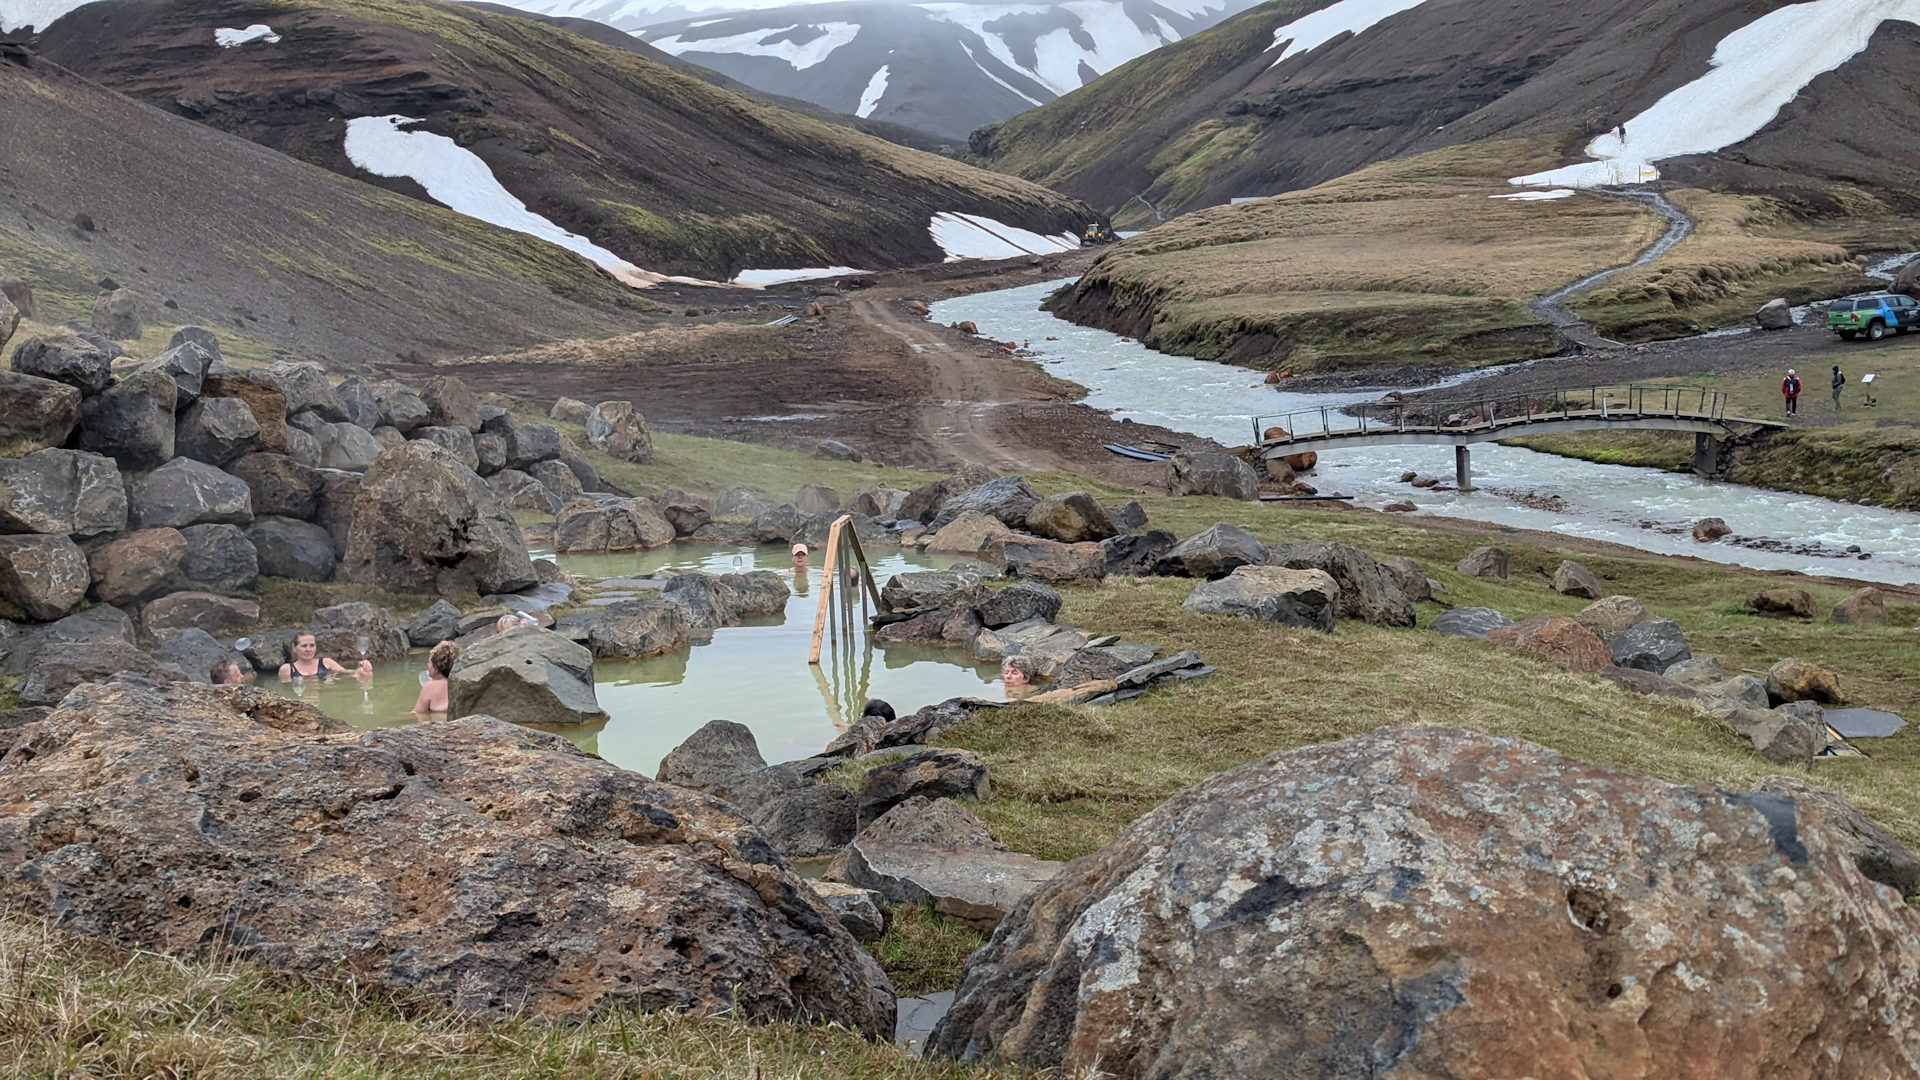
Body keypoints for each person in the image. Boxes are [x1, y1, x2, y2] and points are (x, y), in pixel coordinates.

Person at [278, 632, 371, 682]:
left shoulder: (327, 662)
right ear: (294, 648)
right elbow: (286, 693)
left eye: (312, 645)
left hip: (322, 695)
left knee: (367, 673)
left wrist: (361, 668)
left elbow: (347, 673)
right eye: (304, 646)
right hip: (302, 702)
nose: (308, 649)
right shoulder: (287, 669)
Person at [413, 640, 459, 716]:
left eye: (429, 662)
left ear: (436, 667)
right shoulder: (460, 683)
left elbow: (418, 713)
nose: (427, 665)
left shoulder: (430, 686)